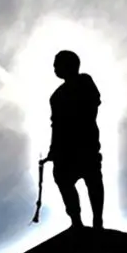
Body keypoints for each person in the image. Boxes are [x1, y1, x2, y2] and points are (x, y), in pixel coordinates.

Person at [39, 50, 104, 230]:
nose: (54, 68)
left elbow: (94, 103)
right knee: (61, 178)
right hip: (64, 148)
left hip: (85, 141)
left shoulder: (84, 80)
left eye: (57, 64)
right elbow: (56, 124)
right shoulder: (56, 97)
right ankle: (76, 220)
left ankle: (97, 220)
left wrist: (80, 122)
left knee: (93, 179)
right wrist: (53, 150)